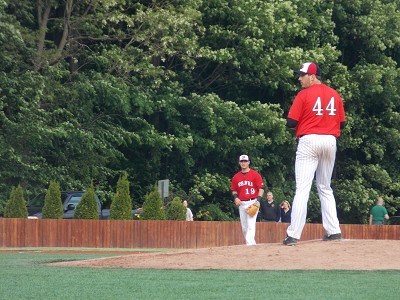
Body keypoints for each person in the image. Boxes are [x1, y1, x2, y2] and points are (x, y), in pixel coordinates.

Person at [283, 62, 346, 246]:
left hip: (309, 140)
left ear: (312, 76)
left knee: (302, 188)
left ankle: (293, 235)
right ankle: (334, 231)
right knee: (325, 187)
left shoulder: (304, 94)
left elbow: (290, 122)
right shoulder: (334, 94)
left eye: (302, 75)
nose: (299, 78)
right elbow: (342, 124)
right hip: (329, 141)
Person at [231, 154, 264, 245]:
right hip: (242, 203)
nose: (243, 163)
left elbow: (261, 188)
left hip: (252, 201)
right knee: (244, 227)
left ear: (249, 162)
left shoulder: (255, 174)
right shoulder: (236, 177)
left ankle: (249, 244)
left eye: (245, 161)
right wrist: (235, 198)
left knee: (251, 224)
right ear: (239, 163)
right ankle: (251, 243)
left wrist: (258, 200)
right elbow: (234, 190)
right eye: (242, 161)